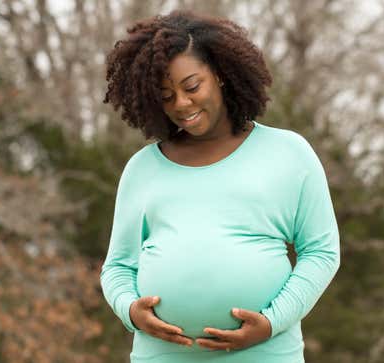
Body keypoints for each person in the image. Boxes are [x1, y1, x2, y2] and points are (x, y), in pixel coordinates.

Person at [99, 10, 340, 363]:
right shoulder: (143, 168)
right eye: (166, 96)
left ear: (221, 75)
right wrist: (130, 311)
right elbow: (118, 266)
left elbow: (321, 253)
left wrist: (272, 322)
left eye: (192, 86)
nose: (181, 104)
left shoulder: (289, 153)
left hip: (265, 354)